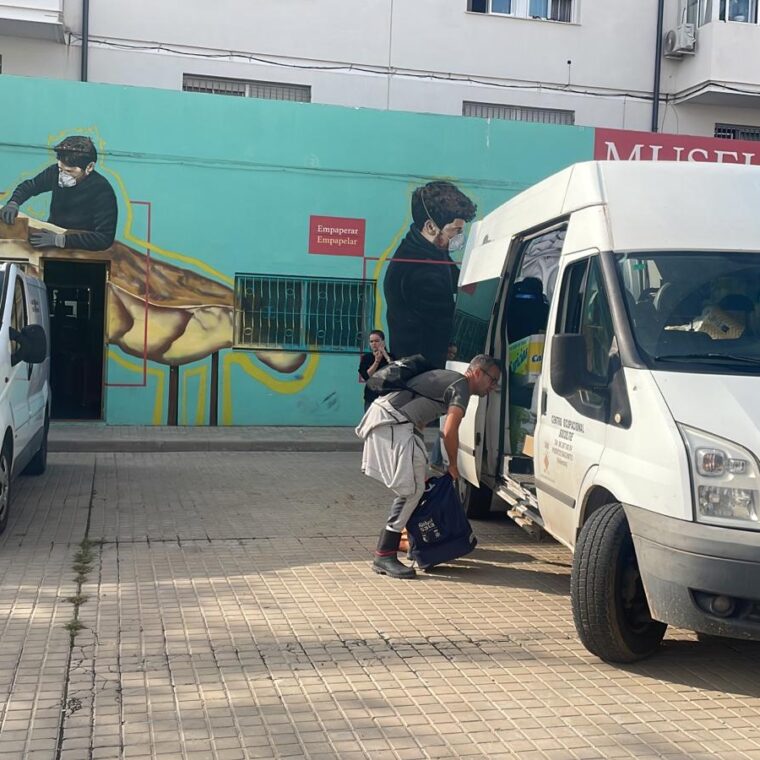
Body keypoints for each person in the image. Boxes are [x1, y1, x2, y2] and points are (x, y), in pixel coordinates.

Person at [356, 354, 501, 579]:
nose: (493, 387)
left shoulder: (452, 381)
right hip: (392, 422)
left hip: (395, 422)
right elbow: (449, 431)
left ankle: (411, 543)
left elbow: (422, 414)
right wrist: (453, 465)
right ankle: (384, 554)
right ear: (478, 372)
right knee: (412, 491)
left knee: (416, 486)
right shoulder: (461, 386)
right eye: (492, 380)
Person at [384, 181, 476, 370]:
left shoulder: (433, 249)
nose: (459, 237)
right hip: (422, 374)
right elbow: (444, 322)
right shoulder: (420, 270)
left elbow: (459, 282)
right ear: (431, 227)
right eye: (455, 230)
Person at [0, 135, 118, 252]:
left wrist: (60, 240)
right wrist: (14, 202)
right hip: (52, 237)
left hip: (82, 252)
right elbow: (31, 185)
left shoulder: (102, 191)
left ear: (89, 167)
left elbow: (104, 238)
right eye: (61, 169)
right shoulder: (54, 172)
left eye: (69, 171)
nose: (62, 175)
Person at [358, 330, 394, 412]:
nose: (374, 344)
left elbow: (395, 370)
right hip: (371, 396)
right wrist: (376, 361)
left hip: (387, 396)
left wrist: (385, 354)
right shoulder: (367, 358)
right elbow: (367, 376)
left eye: (377, 341)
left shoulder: (391, 356)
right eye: (371, 341)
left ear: (383, 342)